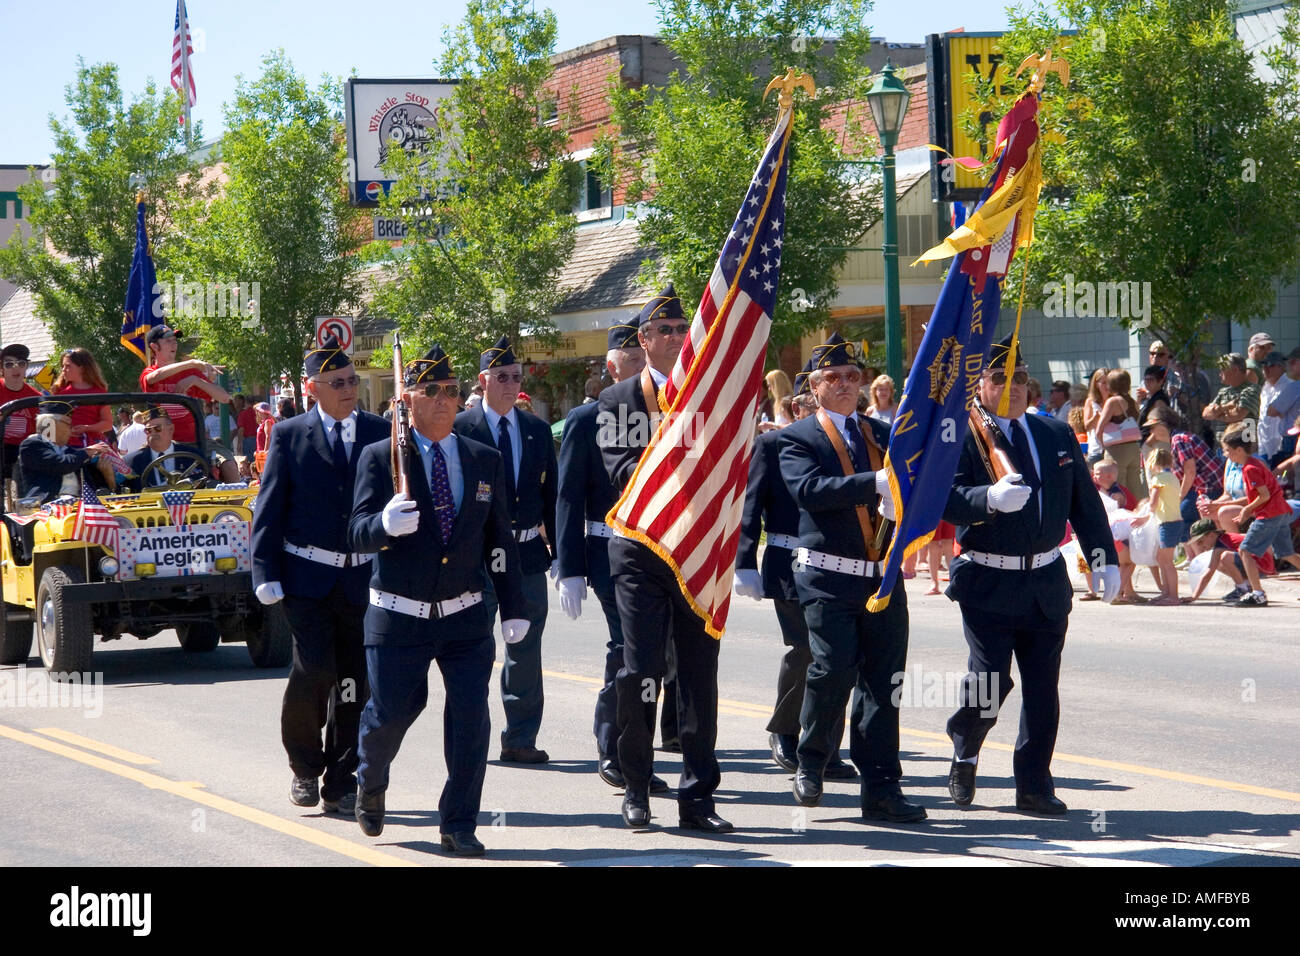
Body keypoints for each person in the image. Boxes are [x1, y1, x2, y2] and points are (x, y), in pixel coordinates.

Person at [348, 344, 526, 856]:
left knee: (472, 718)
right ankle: (371, 776)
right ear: (409, 399)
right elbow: (356, 532)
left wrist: (513, 605)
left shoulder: (482, 458)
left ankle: (458, 823)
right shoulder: (382, 457)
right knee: (391, 713)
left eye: (451, 392)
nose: (445, 401)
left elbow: (500, 541)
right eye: (432, 391)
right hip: (398, 614)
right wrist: (383, 524)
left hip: (466, 614)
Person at [942, 334, 1119, 815]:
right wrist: (987, 500)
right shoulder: (961, 435)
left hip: (1045, 581)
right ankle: (966, 744)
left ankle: (1034, 784)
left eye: (1018, 377)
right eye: (999, 377)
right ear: (979, 383)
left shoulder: (1054, 434)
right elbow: (943, 498)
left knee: (1043, 689)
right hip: (988, 580)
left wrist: (1103, 557)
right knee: (990, 684)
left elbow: (1085, 503)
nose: (1011, 387)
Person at [598, 282, 732, 832]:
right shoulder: (618, 400)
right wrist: (679, 445)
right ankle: (636, 787)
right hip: (640, 551)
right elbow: (623, 475)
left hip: (699, 548)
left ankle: (699, 797)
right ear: (644, 340)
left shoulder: (711, 395)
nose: (677, 337)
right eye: (665, 330)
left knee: (700, 674)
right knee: (642, 670)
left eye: (683, 329)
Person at [778, 333, 921, 824]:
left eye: (852, 377)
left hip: (880, 579)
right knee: (832, 668)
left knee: (884, 683)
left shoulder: (882, 436)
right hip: (827, 578)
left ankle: (881, 787)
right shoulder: (797, 438)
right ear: (814, 388)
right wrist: (873, 483)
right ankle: (811, 758)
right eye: (832, 378)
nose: (844, 384)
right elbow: (809, 490)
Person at [251, 333, 389, 816]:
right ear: (312, 388)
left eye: (352, 379)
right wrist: (264, 568)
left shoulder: (379, 430)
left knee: (356, 679)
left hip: (361, 580)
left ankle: (342, 777)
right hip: (306, 577)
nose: (348, 388)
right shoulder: (289, 435)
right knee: (315, 672)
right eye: (337, 382)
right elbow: (269, 507)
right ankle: (305, 767)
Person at [555, 318, 671, 792]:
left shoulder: (669, 409)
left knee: (653, 654)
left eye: (644, 361)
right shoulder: (588, 419)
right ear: (611, 365)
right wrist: (570, 568)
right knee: (627, 649)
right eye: (631, 361)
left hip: (662, 548)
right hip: (607, 547)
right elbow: (567, 496)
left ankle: (635, 752)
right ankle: (614, 748)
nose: (641, 368)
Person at [736, 359, 855, 779]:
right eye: (800, 403)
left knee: (837, 655)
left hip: (837, 564)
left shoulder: (848, 443)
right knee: (805, 650)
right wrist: (745, 561)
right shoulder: (774, 445)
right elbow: (750, 509)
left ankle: (825, 742)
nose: (806, 410)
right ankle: (785, 729)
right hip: (788, 560)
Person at [454, 336, 557, 765]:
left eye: (516, 377)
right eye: (501, 377)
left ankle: (520, 737)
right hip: (477, 558)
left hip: (526, 555)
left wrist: (561, 553)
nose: (511, 384)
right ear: (483, 381)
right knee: (475, 649)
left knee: (526, 650)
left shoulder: (534, 429)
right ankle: (469, 735)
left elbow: (552, 495)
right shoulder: (461, 428)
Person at [1220, 429, 1299, 607]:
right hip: (1280, 511)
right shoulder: (1254, 463)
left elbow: (1263, 496)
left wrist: (1247, 509)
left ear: (1239, 450)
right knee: (1286, 553)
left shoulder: (1250, 468)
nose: (1226, 454)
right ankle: (1257, 592)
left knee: (1245, 551)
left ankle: (1258, 594)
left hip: (1269, 514)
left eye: (1227, 450)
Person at [138, 324, 232, 445]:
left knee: (229, 464)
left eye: (175, 340)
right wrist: (192, 363)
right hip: (166, 445)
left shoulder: (190, 373)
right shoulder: (149, 372)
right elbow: (154, 377)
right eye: (168, 341)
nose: (174, 344)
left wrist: (195, 379)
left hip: (196, 442)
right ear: (154, 346)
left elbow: (224, 398)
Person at [17, 399, 112, 502]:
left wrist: (106, 471)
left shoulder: (70, 451)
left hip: (78, 506)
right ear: (51, 424)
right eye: (67, 424)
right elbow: (60, 464)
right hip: (47, 507)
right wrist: (87, 451)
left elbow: (92, 479)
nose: (71, 430)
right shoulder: (31, 445)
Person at [127, 407, 206, 490]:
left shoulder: (193, 456)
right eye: (148, 430)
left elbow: (207, 482)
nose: (153, 433)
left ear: (171, 429)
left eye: (157, 428)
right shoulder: (133, 461)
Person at [52, 348, 112, 449]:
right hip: (64, 446)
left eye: (68, 366)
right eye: (63, 366)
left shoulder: (99, 392)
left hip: (93, 446)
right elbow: (51, 423)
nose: (63, 369)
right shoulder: (59, 392)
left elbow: (108, 424)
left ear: (82, 368)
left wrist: (87, 428)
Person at [1145, 447, 1182, 606]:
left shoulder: (1158, 478)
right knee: (1161, 558)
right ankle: (1166, 592)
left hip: (1167, 521)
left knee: (1167, 561)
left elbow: (1153, 502)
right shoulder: (1172, 477)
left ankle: (1173, 595)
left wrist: (1146, 513)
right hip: (1172, 520)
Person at [1, 343, 41, 486]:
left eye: (21, 363)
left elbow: (44, 433)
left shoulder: (36, 397)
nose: (16, 368)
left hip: (23, 449)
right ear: (2, 369)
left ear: (26, 368)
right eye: (9, 364)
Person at [1099, 368, 1144, 495]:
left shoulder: (1113, 402)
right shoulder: (1133, 402)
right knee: (1135, 487)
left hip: (1116, 450)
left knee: (1118, 488)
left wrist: (1103, 446)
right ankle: (1139, 511)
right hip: (1133, 448)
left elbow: (1099, 428)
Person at [1203, 353, 1259, 444]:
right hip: (1223, 445)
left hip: (1245, 445)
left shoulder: (1252, 390)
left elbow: (1238, 415)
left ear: (1235, 370)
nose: (1219, 374)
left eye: (1222, 370)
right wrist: (1226, 407)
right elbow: (1206, 414)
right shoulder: (1223, 391)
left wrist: (1216, 414)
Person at [1259, 351, 1300, 466]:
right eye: (1264, 365)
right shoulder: (1265, 387)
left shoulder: (1290, 385)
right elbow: (1264, 416)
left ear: (1281, 367)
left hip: (1282, 443)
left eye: (1271, 365)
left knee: (1285, 479)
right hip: (1265, 445)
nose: (1266, 369)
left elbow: (1272, 411)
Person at [1082, 368, 1109, 466]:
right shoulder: (1090, 401)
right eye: (1104, 382)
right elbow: (1087, 426)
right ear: (1096, 384)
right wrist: (1095, 418)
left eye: (1109, 382)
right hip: (1096, 449)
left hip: (1112, 447)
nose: (1107, 386)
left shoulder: (1114, 400)